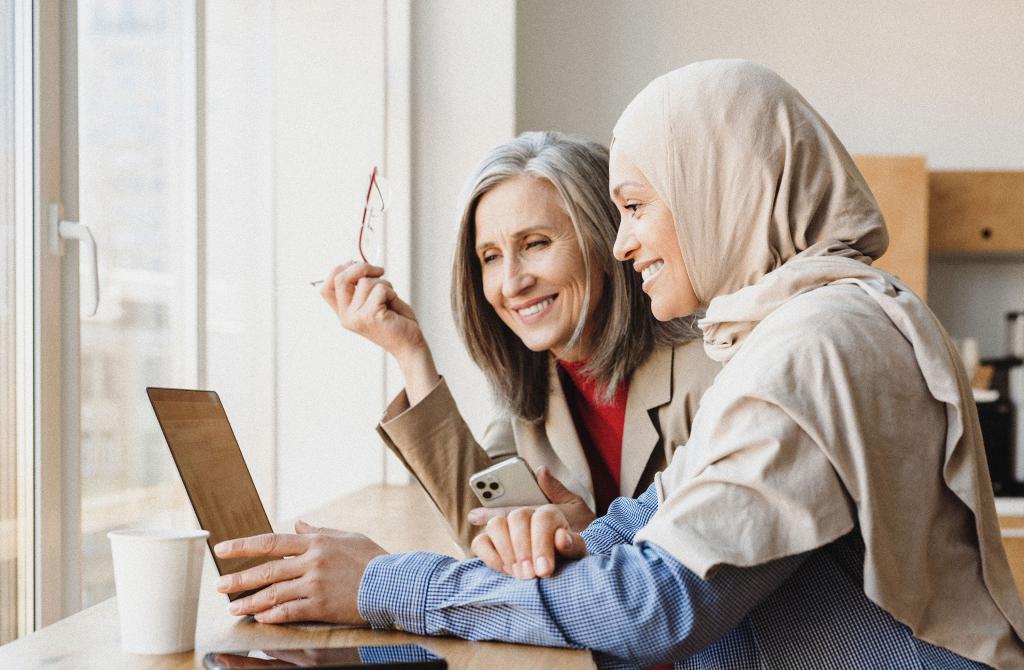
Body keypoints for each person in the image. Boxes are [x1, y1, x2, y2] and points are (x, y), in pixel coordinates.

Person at [214, 61, 1024, 668]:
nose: (624, 238)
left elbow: (657, 605)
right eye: (492, 256)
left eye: (634, 207)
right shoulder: (795, 332)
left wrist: (387, 585)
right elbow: (640, 527)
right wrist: (571, 542)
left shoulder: (810, 348)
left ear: (720, 188)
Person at [318, 131, 719, 555]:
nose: (512, 282)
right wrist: (410, 353)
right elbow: (483, 527)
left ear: (605, 243)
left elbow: (696, 570)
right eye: (490, 257)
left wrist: (594, 540)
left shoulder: (709, 369)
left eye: (536, 244)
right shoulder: (535, 380)